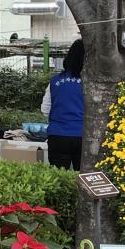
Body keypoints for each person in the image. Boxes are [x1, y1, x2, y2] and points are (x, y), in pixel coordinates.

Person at [41, 39, 85, 169]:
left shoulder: (55, 81)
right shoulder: (90, 83)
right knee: (84, 177)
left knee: (59, 179)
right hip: (83, 136)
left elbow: (45, 109)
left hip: (57, 135)